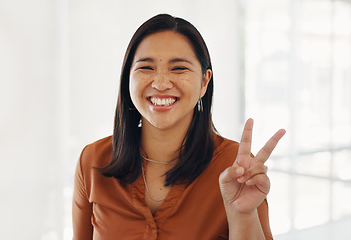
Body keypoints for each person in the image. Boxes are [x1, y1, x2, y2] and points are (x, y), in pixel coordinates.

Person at [72, 14, 285, 240]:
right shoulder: (92, 160)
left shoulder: (237, 169)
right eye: (146, 67)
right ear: (128, 78)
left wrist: (243, 214)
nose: (161, 83)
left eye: (179, 68)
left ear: (204, 82)